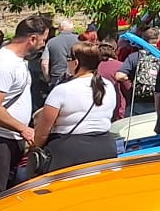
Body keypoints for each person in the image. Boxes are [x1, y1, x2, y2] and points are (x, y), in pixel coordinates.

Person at [0, 14, 49, 201]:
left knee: (10, 197)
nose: (43, 45)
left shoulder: (17, 61)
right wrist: (24, 129)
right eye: (43, 40)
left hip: (10, 139)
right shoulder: (4, 63)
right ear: (32, 38)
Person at [31, 43, 121, 173]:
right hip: (105, 147)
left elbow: (43, 131)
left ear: (76, 62)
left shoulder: (63, 90)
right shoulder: (108, 86)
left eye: (69, 59)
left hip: (69, 153)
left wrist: (36, 145)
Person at [43, 17, 82, 90]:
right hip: (77, 76)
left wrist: (48, 79)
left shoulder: (51, 42)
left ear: (60, 29)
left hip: (56, 77)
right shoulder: (80, 40)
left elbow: (44, 64)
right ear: (72, 28)